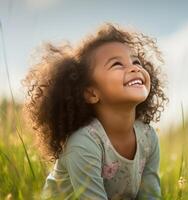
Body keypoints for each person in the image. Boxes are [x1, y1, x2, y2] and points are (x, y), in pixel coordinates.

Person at [21, 22, 169, 200]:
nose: (135, 67)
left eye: (136, 61)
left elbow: (150, 196)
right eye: (117, 64)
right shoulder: (84, 142)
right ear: (91, 93)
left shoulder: (148, 137)